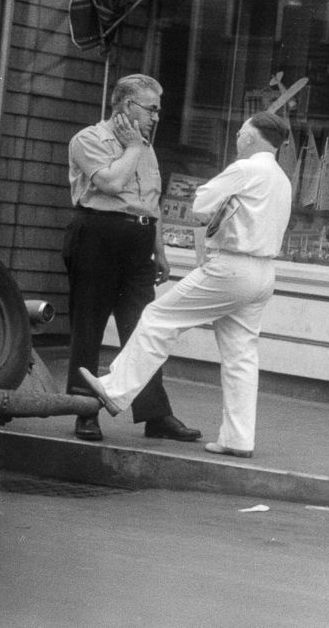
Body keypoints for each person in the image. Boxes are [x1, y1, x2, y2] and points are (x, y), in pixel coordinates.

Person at [79, 112, 293, 459]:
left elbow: (202, 205)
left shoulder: (246, 168)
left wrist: (222, 206)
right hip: (264, 272)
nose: (237, 138)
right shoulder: (281, 178)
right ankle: (238, 439)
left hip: (231, 265)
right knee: (241, 356)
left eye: (240, 133)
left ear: (252, 138)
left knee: (158, 318)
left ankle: (115, 390)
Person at [64, 74, 201, 443]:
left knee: (144, 329)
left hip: (139, 240)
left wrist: (160, 250)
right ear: (127, 106)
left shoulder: (145, 147)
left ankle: (155, 415)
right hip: (97, 233)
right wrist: (132, 150)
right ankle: (84, 412)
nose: (156, 117)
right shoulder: (88, 139)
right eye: (151, 109)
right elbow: (109, 183)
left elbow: (151, 201)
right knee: (89, 324)